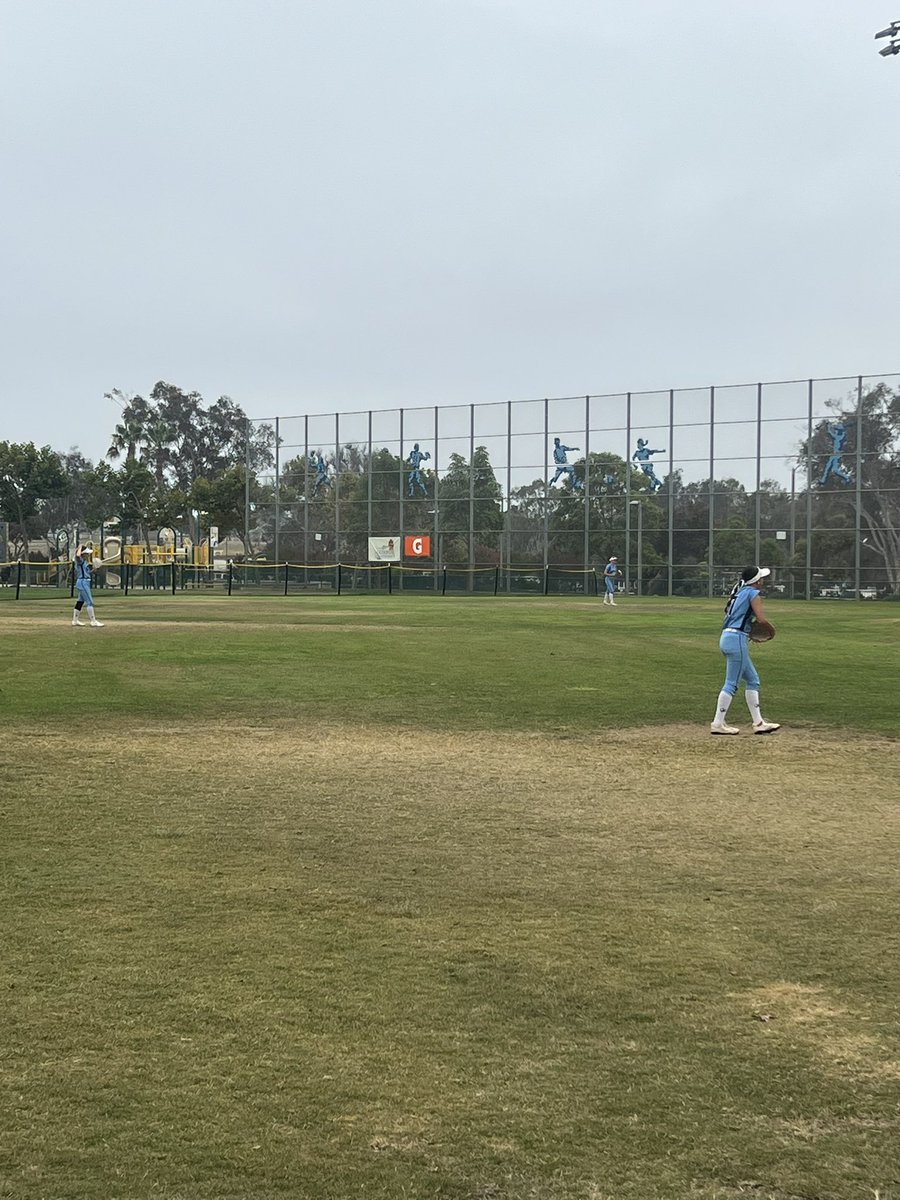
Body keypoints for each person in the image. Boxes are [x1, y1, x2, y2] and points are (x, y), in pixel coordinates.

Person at [710, 566, 779, 735]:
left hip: (727, 637)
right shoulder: (753, 593)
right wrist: (771, 630)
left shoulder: (739, 592)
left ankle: (759, 723)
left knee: (753, 680)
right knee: (731, 684)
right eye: (761, 578)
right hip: (737, 639)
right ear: (757, 581)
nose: (763, 580)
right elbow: (761, 619)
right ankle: (717, 723)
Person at [72, 545, 104, 627]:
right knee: (90, 602)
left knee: (80, 601)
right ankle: (93, 621)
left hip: (84, 581)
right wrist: (80, 547)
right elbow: (77, 555)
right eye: (87, 553)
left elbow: (86, 573)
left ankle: (75, 621)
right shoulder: (80, 560)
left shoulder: (84, 562)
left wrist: (93, 570)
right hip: (83, 582)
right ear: (83, 553)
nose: (88, 555)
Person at [819, 420, 852, 486]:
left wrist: (829, 426)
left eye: (837, 430)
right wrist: (830, 426)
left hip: (837, 454)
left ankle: (847, 478)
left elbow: (830, 432)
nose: (836, 431)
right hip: (835, 454)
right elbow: (831, 432)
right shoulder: (840, 436)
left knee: (832, 469)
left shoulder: (839, 437)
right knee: (831, 468)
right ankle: (823, 480)